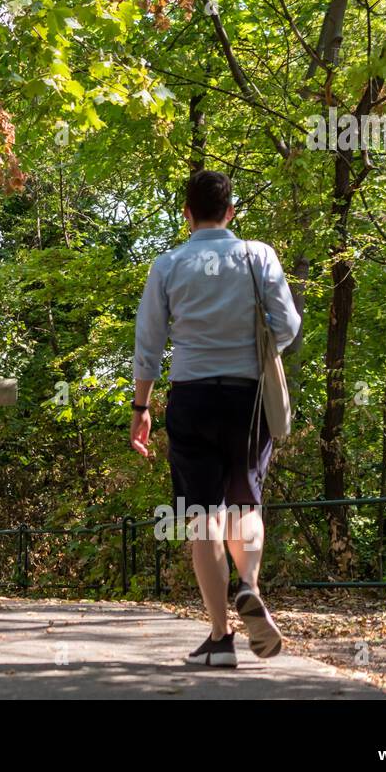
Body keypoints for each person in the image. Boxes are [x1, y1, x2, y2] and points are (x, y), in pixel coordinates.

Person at [130, 170, 301, 667]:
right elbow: (288, 324)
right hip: (248, 400)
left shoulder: (168, 265)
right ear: (231, 211)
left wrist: (141, 409)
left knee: (202, 517)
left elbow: (149, 345)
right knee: (245, 500)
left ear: (186, 214)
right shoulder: (258, 255)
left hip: (192, 397)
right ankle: (248, 584)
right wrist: (258, 347)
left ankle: (220, 637)